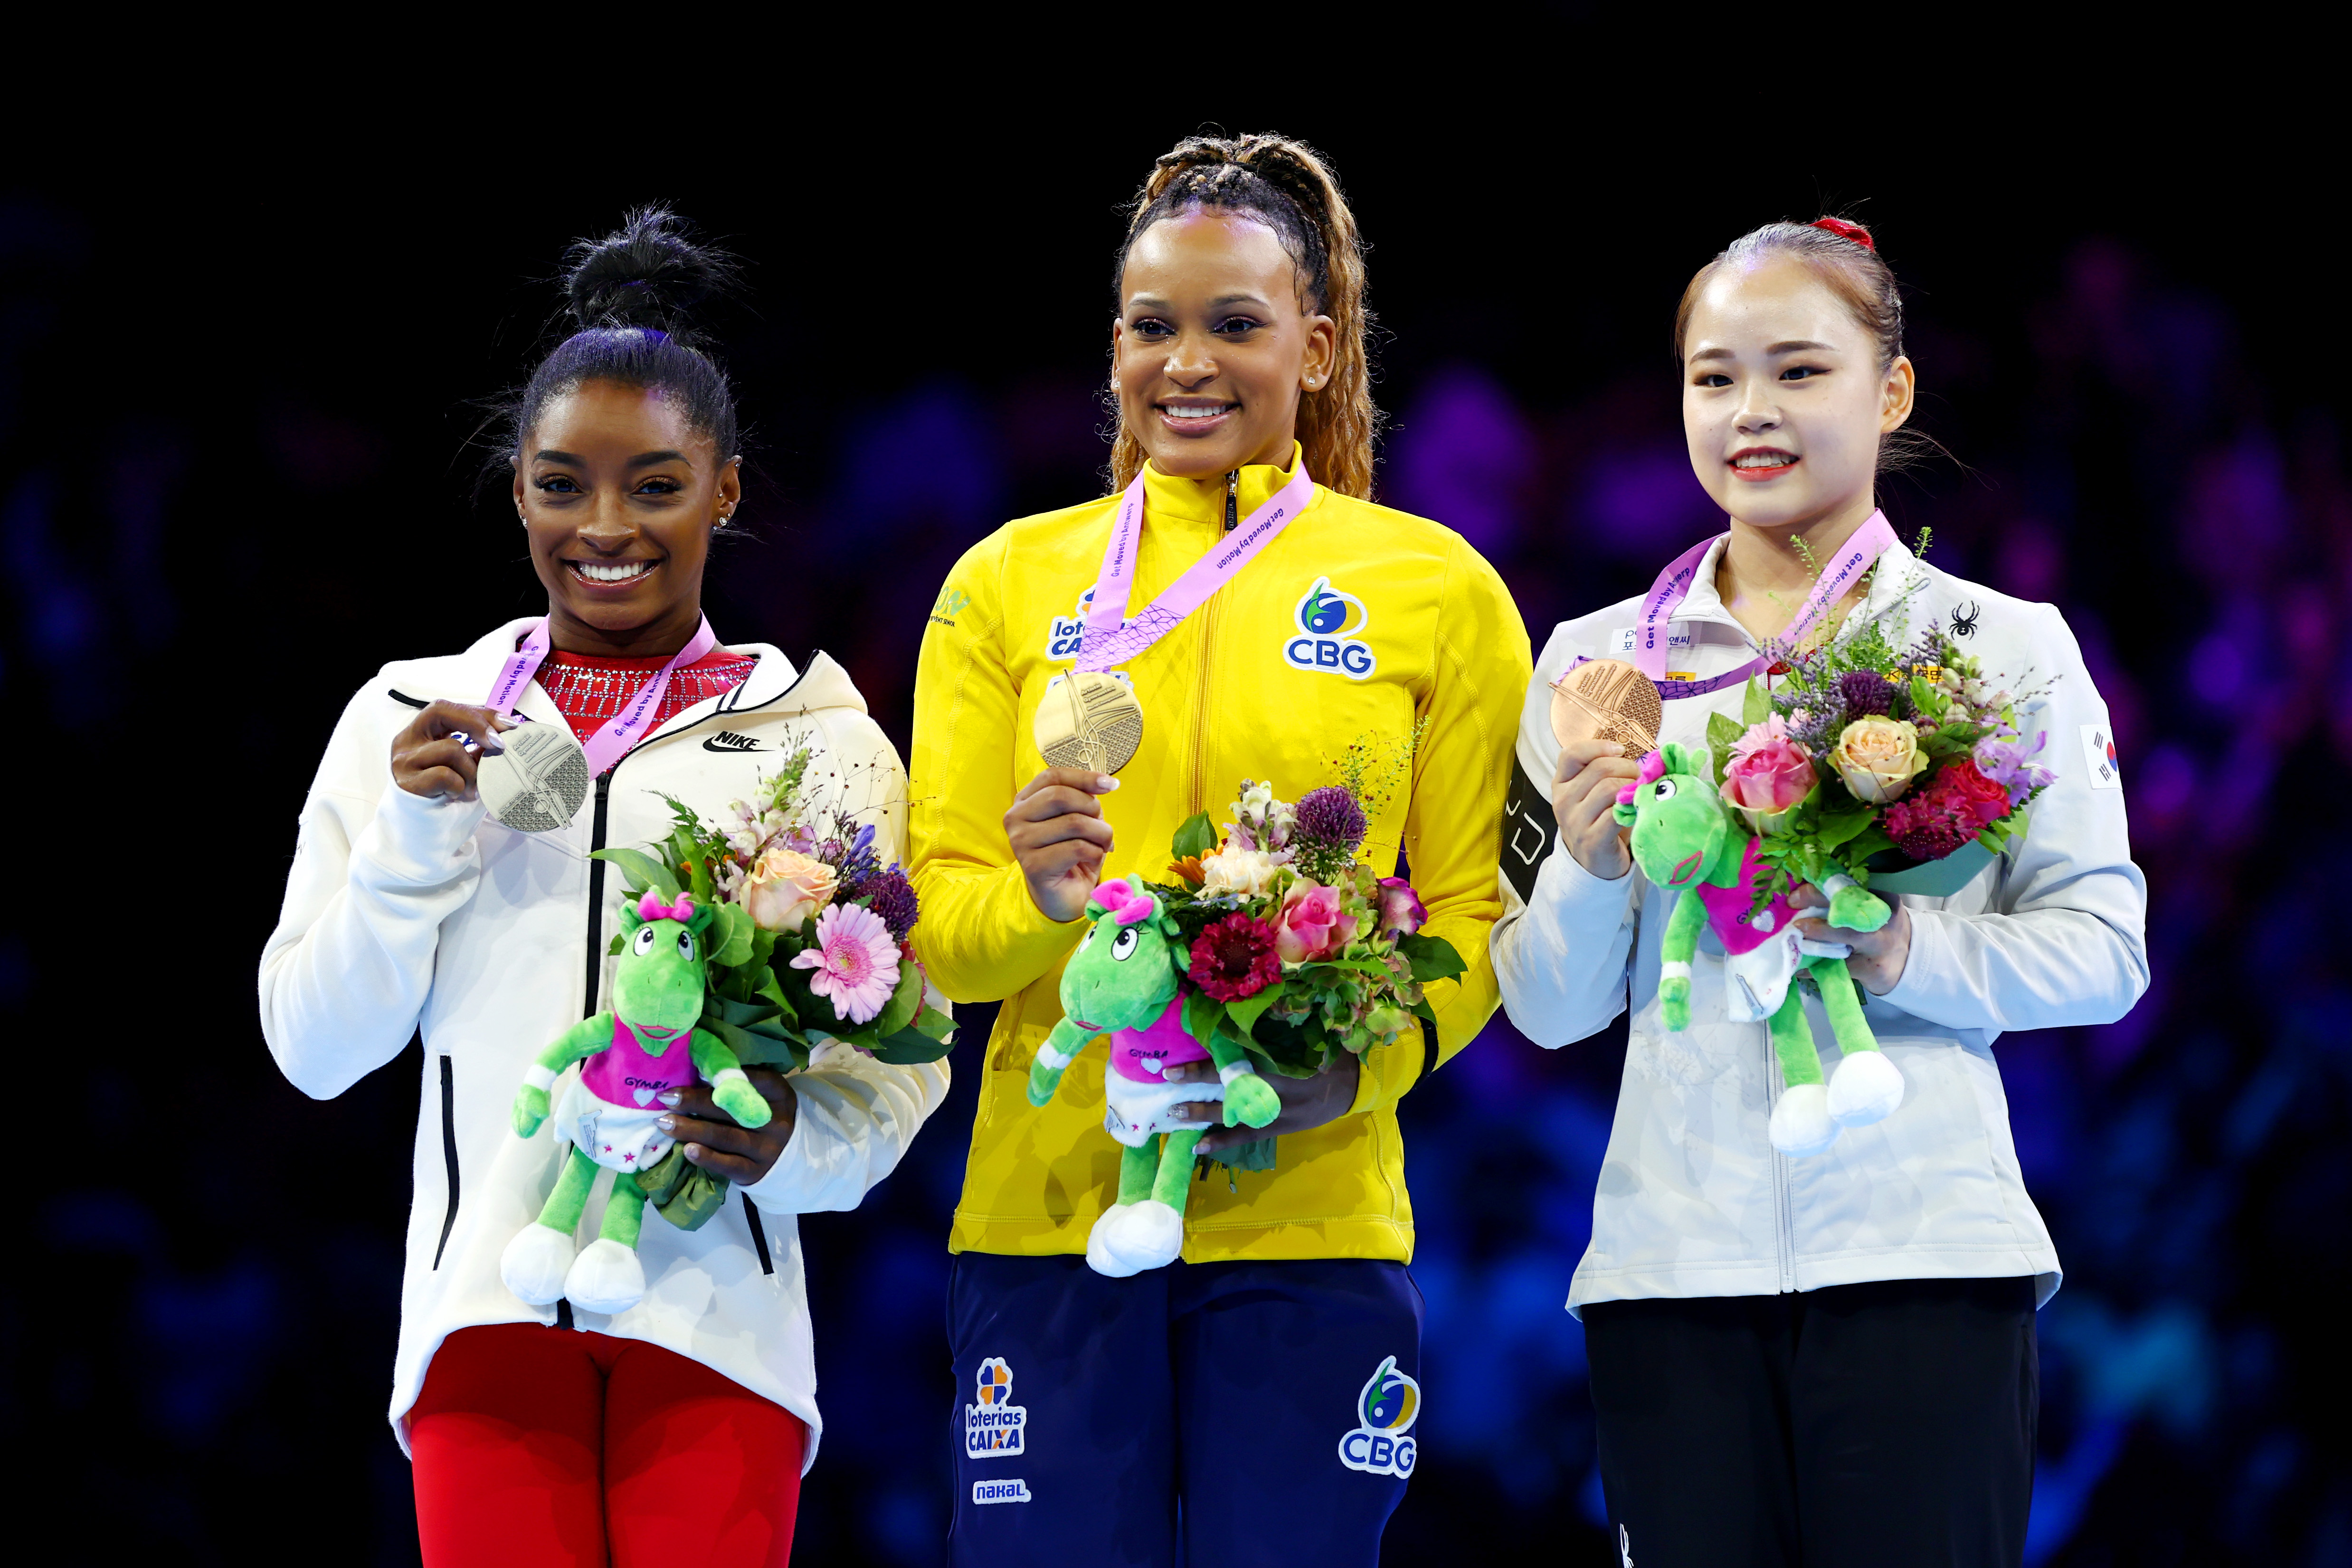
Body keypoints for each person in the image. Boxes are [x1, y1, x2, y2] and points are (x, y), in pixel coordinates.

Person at [258, 209, 947, 1568]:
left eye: (656, 484)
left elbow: (904, 1052)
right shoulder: (411, 717)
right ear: (517, 487)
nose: (606, 528)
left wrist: (797, 1143)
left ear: (728, 491)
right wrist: (408, 838)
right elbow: (316, 1050)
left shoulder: (817, 733)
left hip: (719, 1330)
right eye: (564, 484)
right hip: (484, 1323)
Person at [907, 133, 1531, 1566]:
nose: (1186, 363)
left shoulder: (1435, 590)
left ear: (1315, 349)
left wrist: (1355, 1072)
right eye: (1152, 327)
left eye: (1234, 326)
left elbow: (1471, 914)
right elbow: (942, 924)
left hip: (1312, 1226)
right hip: (1048, 1215)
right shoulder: (1003, 584)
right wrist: (1042, 903)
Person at [1492, 217, 2149, 1567]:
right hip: (1669, 1279)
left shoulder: (1994, 646)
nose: (1752, 413)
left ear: (1889, 390)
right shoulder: (1591, 663)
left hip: (1925, 1262)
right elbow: (1550, 1010)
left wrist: (1905, 950)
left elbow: (2105, 951)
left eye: (1798, 371)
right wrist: (1591, 856)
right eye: (1714, 377)